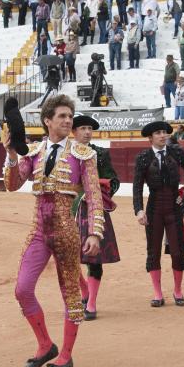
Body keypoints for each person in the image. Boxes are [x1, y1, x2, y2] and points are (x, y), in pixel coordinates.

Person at [2, 95, 104, 367]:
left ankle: (67, 355)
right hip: (38, 230)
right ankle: (46, 344)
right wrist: (12, 155)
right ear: (48, 120)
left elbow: (94, 195)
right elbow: (12, 185)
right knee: (22, 289)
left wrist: (94, 232)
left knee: (70, 292)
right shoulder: (33, 152)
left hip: (65, 230)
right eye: (62, 116)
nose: (68, 121)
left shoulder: (83, 153)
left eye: (70, 116)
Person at [133, 121, 184, 307]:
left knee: (177, 251)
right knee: (154, 251)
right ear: (150, 137)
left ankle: (178, 290)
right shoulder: (143, 157)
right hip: (154, 208)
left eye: (164, 132)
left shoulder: (176, 152)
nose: (162, 135)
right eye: (158, 133)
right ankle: (158, 294)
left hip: (175, 207)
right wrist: (139, 209)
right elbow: (137, 186)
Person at [70, 115, 120, 321]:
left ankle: (91, 304)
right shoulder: (65, 154)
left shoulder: (99, 153)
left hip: (94, 211)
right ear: (74, 132)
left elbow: (113, 179)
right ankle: (85, 291)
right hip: (70, 210)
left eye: (90, 128)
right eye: (83, 128)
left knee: (94, 258)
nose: (87, 132)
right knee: (68, 257)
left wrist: (105, 192)